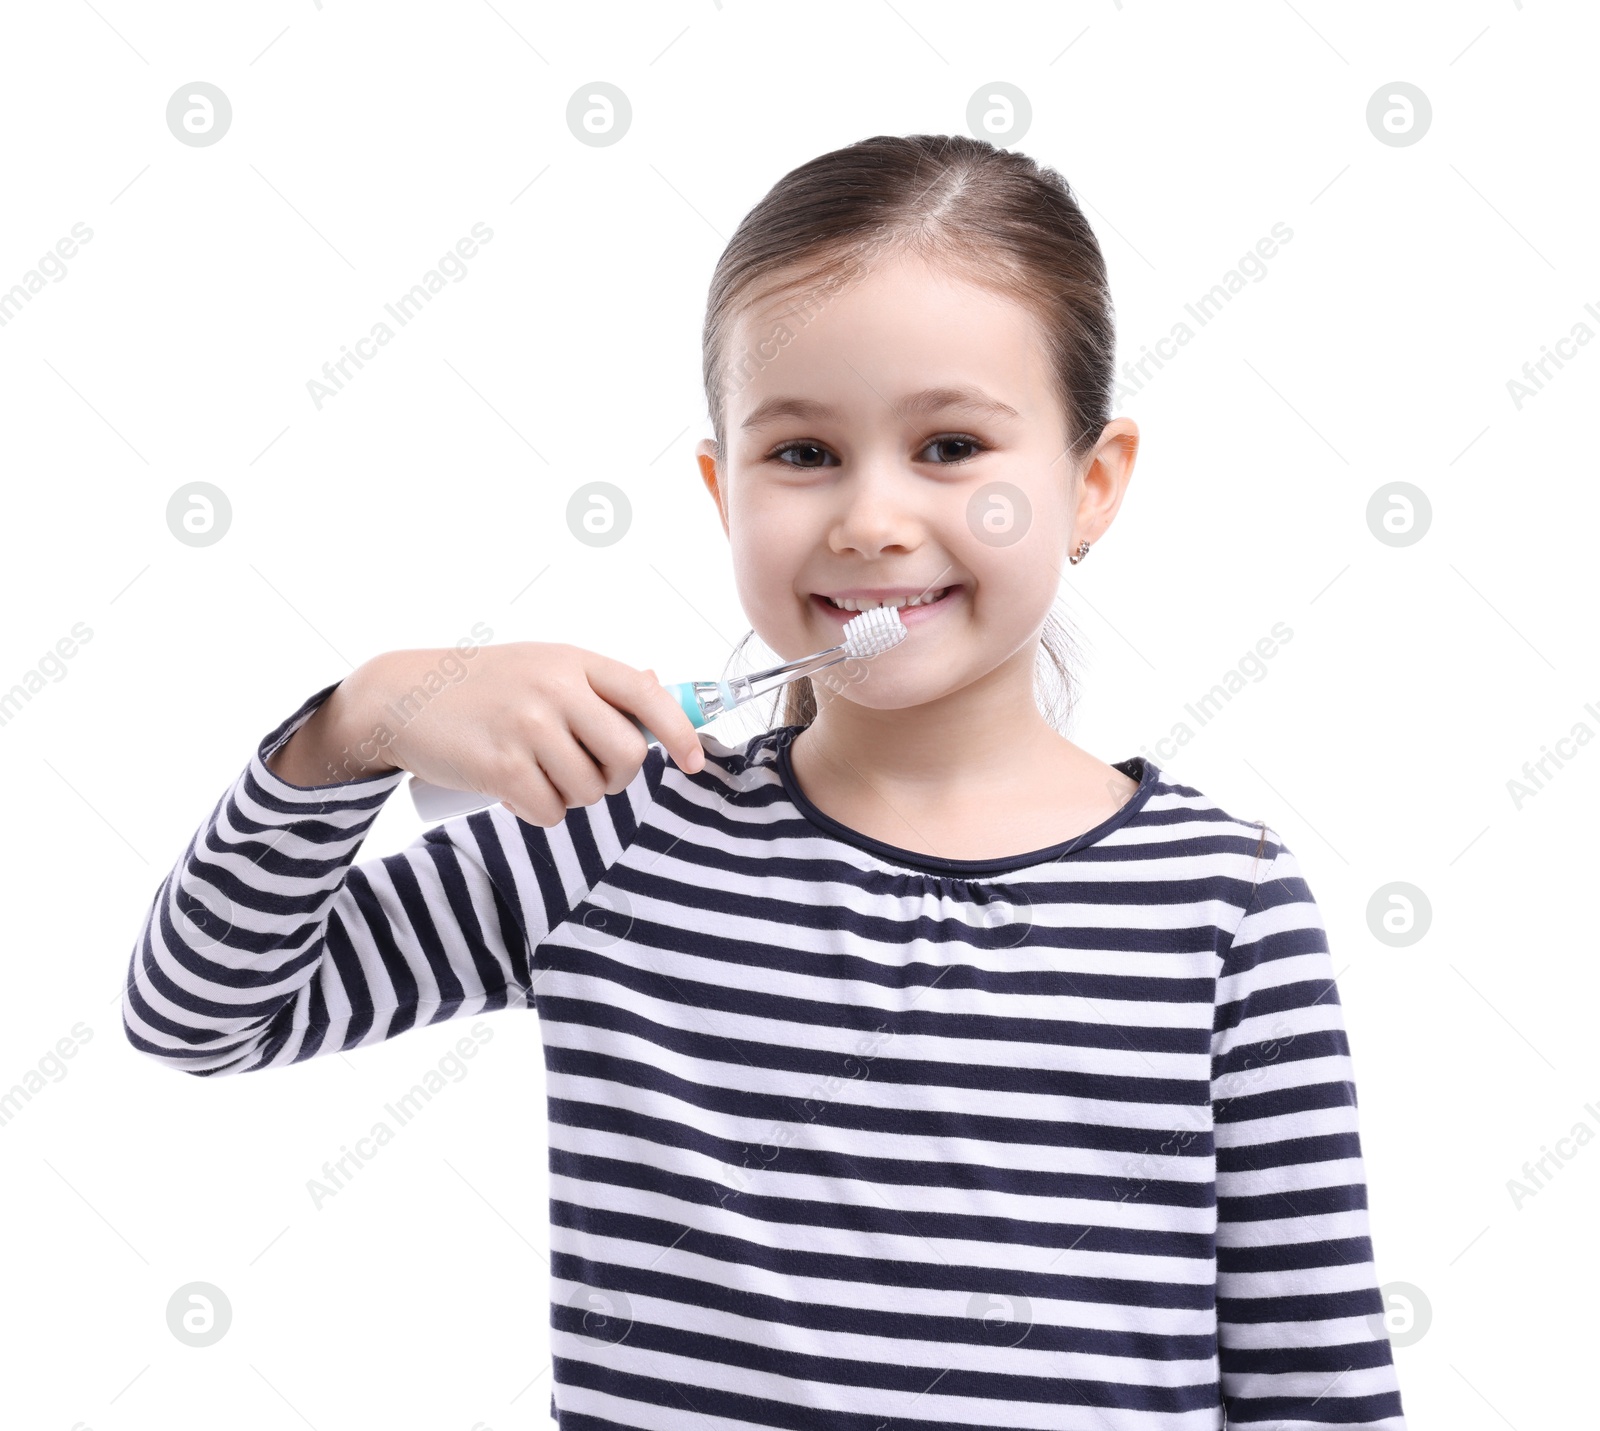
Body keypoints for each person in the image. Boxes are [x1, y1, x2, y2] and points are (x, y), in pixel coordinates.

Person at [124, 133, 1408, 1429]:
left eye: (953, 445)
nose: (871, 518)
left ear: (1092, 485)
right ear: (720, 489)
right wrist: (357, 726)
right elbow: (201, 1014)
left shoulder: (1220, 904)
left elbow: (1318, 1389)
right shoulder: (615, 834)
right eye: (801, 456)